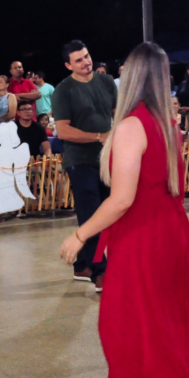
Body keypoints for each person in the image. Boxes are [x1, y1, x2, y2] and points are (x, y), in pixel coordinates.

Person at [57, 41, 189, 378]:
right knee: (163, 323)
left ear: (130, 77)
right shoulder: (166, 123)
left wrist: (80, 235)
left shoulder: (134, 126)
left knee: (136, 327)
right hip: (169, 232)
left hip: (144, 238)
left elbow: (121, 199)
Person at [52, 40, 118, 291]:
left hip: (107, 159)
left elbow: (118, 113)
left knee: (107, 214)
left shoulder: (106, 81)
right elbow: (63, 131)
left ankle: (82, 264)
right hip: (80, 161)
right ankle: (100, 271)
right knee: (91, 214)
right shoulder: (63, 90)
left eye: (87, 56)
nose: (85, 62)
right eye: (78, 60)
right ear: (68, 65)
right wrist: (99, 137)